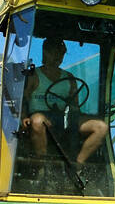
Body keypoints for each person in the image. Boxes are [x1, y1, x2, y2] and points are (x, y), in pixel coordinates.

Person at [20, 37, 107, 172]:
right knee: (38, 120)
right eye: (55, 52)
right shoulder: (34, 75)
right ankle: (41, 167)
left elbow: (75, 106)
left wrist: (73, 116)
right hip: (39, 117)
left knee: (101, 127)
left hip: (62, 118)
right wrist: (23, 116)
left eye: (61, 53)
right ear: (45, 52)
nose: (58, 57)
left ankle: (77, 165)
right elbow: (23, 100)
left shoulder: (69, 78)